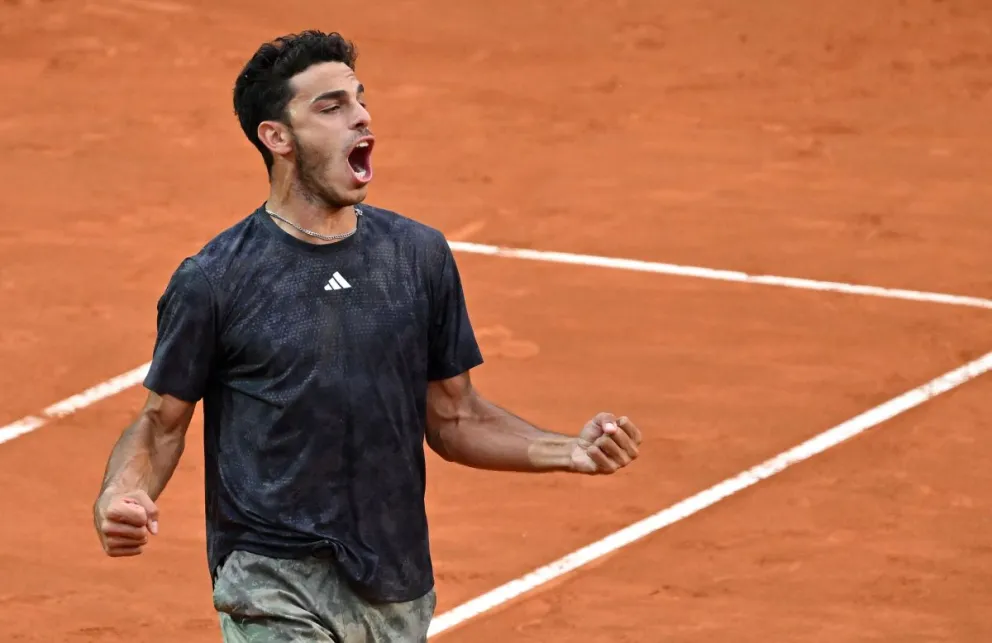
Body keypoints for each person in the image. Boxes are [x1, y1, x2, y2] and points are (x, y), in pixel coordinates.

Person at [91, 29, 642, 642]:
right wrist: (122, 493)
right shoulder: (216, 279)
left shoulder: (417, 256)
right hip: (271, 576)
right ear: (277, 138)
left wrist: (568, 450)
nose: (360, 116)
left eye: (359, 99)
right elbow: (160, 424)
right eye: (331, 107)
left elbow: (455, 418)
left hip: (395, 581)